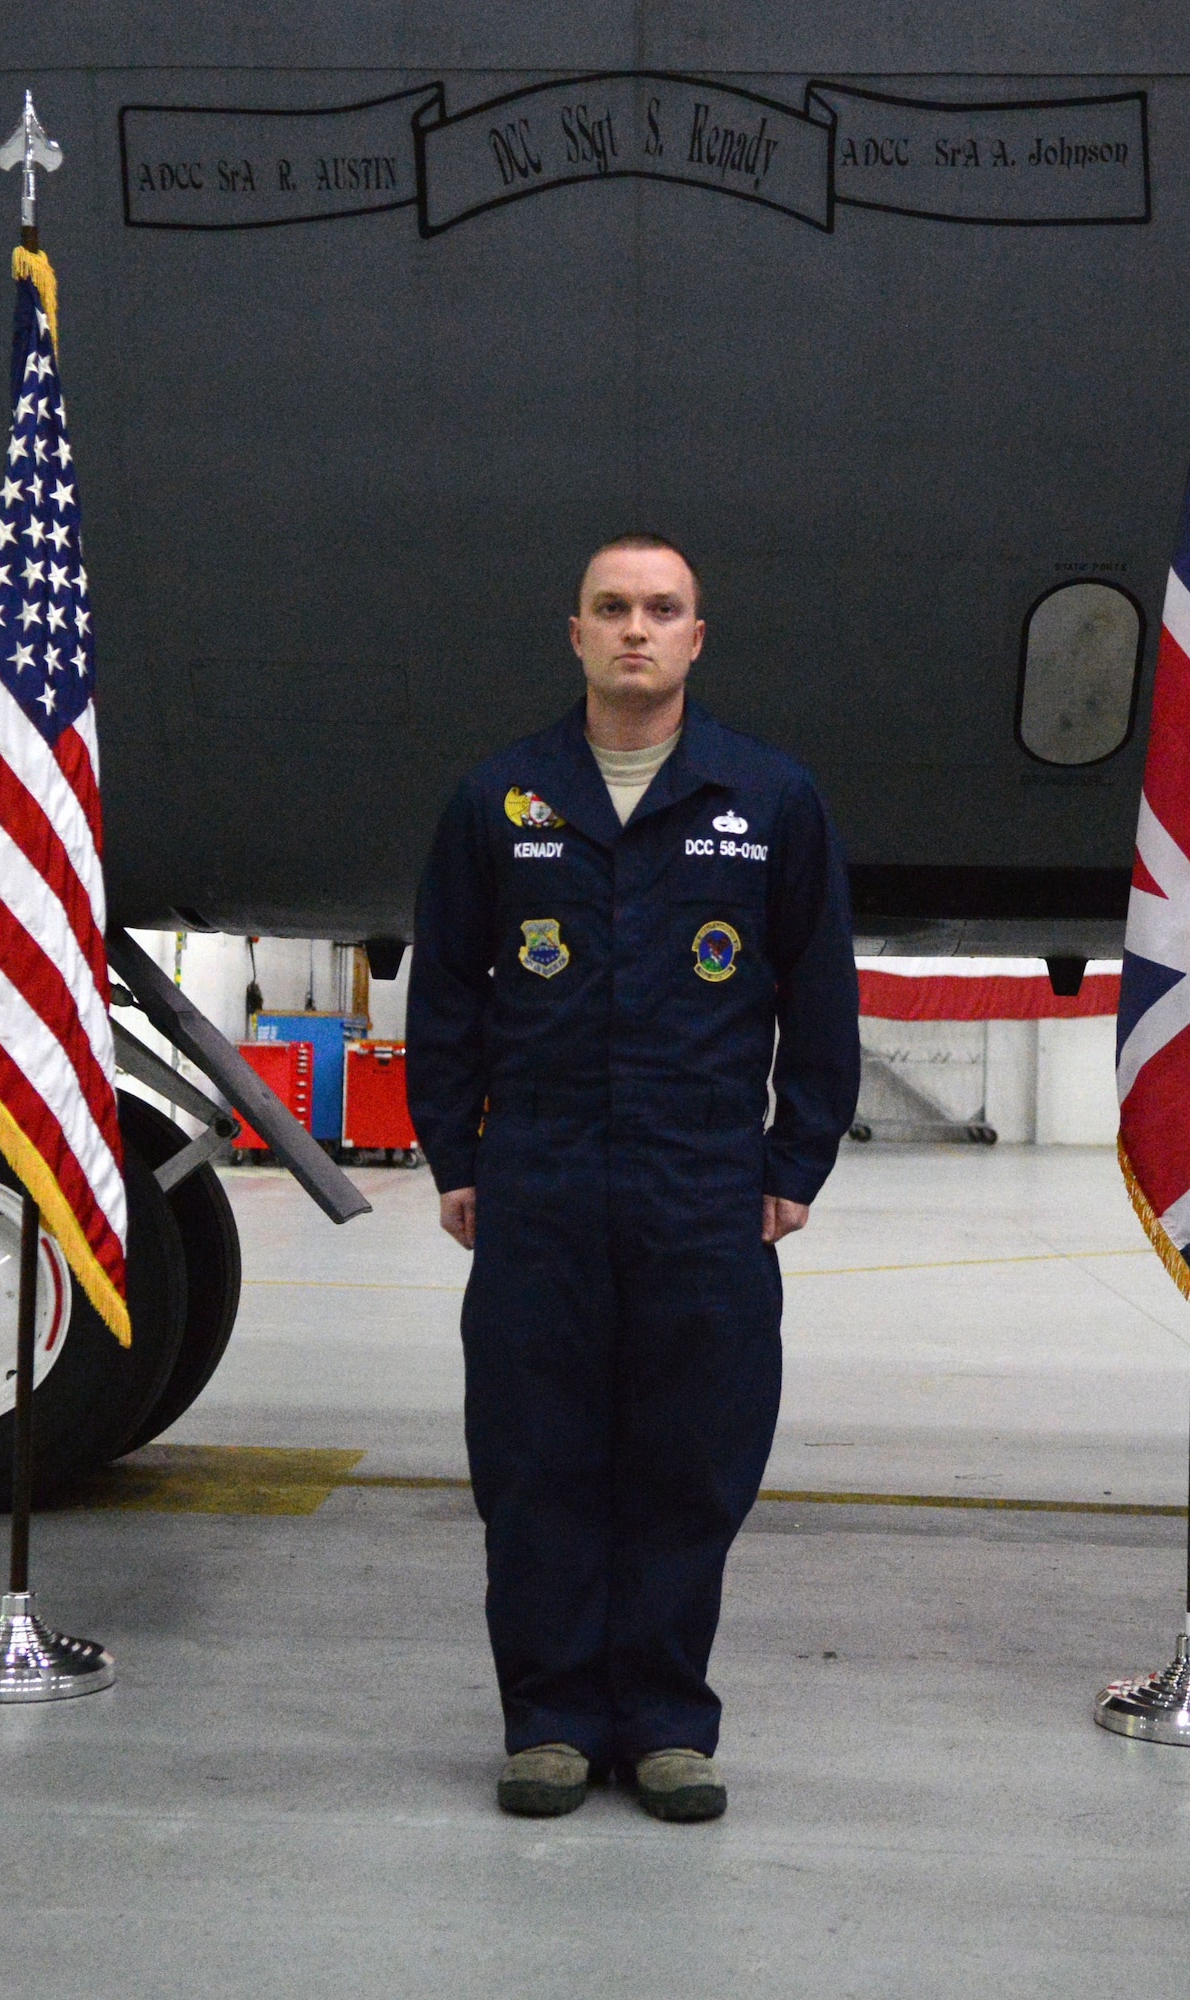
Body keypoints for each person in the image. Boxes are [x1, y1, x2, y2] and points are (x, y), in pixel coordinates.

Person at [406, 534, 859, 1822]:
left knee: (690, 1459)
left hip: (702, 1185)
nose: (636, 631)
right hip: (540, 1178)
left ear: (696, 638)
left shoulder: (767, 800)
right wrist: (456, 1154)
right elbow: (443, 989)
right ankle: (547, 1720)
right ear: (576, 632)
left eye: (663, 610)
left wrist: (795, 1160)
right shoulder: (499, 801)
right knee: (536, 1457)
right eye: (613, 609)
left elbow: (819, 996)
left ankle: (665, 1721)